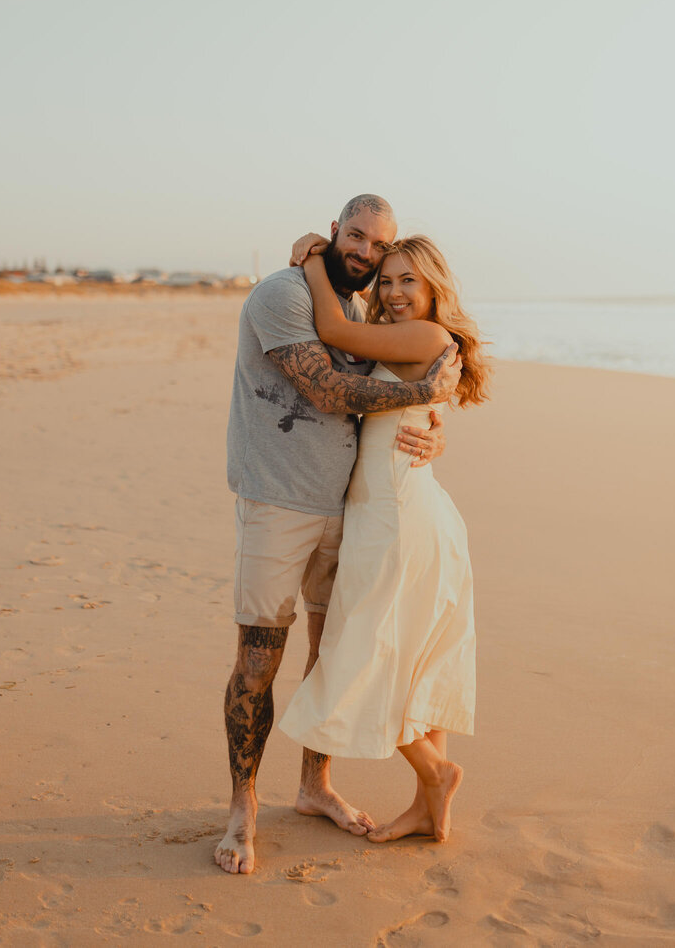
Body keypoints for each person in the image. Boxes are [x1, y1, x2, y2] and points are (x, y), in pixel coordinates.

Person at [216, 194, 462, 874]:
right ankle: (243, 808)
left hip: (350, 511)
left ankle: (313, 785)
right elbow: (329, 389)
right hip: (277, 502)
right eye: (355, 238)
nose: (369, 257)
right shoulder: (282, 295)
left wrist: (436, 426)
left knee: (331, 656)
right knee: (259, 661)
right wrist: (424, 400)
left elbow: (404, 379)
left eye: (382, 251)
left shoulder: (364, 310)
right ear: (333, 233)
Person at [279, 233, 490, 843]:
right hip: (404, 511)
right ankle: (429, 809)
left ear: (433, 289)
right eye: (388, 280)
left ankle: (435, 771)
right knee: (416, 656)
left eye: (409, 282)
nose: (395, 293)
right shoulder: (422, 345)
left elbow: (336, 333)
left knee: (369, 656)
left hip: (396, 519)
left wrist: (313, 262)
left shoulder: (425, 338)